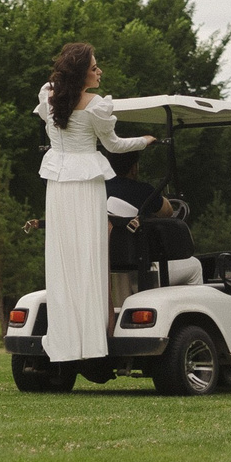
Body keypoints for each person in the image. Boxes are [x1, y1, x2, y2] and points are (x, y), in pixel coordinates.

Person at [36, 42, 153, 367]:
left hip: (59, 186)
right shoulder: (95, 105)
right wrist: (144, 141)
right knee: (89, 257)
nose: (99, 71)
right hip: (86, 185)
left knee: (63, 258)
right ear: (81, 72)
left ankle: (67, 337)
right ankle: (91, 338)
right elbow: (113, 145)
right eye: (94, 67)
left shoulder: (49, 96)